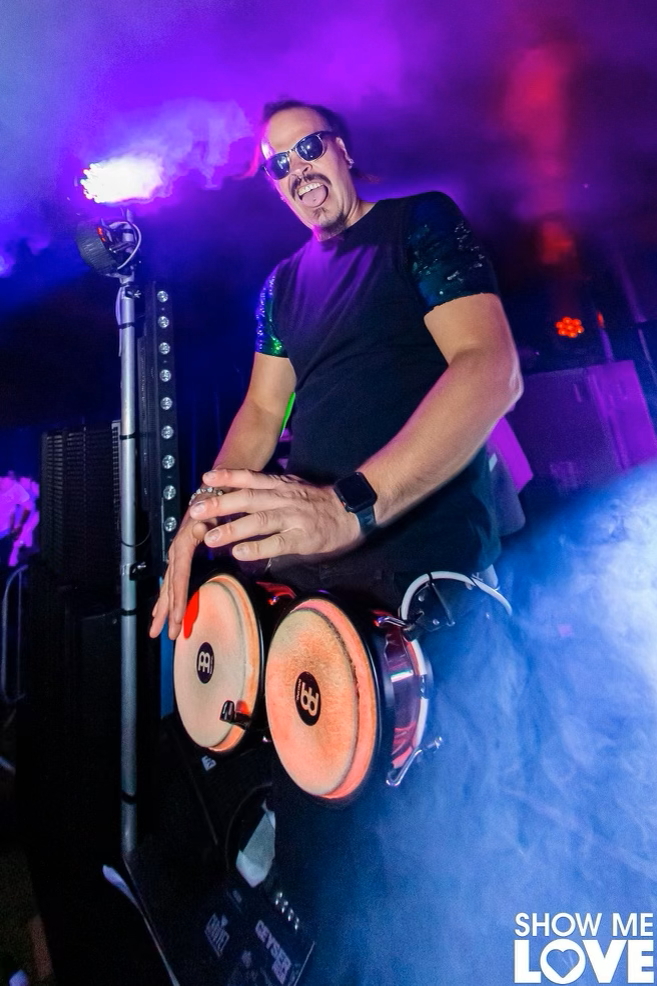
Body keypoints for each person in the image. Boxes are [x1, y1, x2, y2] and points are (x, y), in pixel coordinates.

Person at [150, 100, 523, 984]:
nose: (295, 171)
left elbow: (489, 368)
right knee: (323, 807)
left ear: (343, 151)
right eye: (276, 165)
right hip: (314, 580)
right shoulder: (280, 286)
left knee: (441, 829)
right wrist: (193, 527)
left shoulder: (417, 225)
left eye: (307, 148)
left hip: (418, 562)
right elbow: (259, 414)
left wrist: (351, 504)